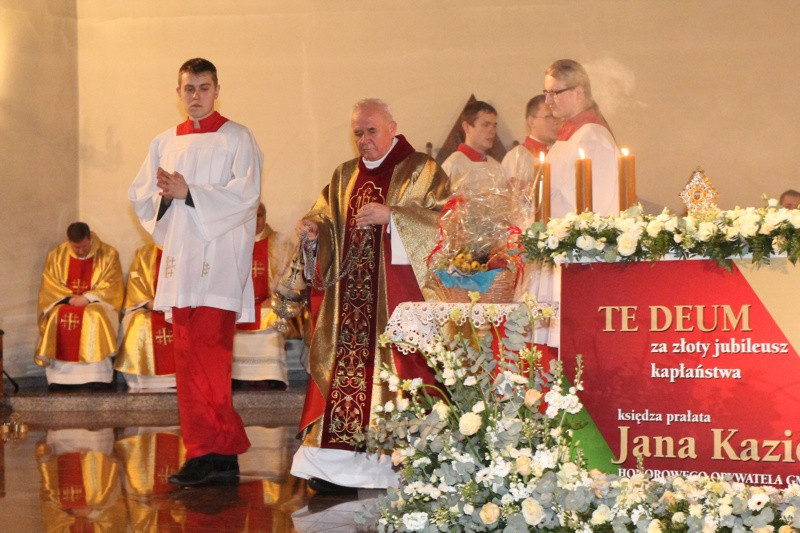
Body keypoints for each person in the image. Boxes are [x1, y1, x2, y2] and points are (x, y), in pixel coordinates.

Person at [290, 98, 450, 493]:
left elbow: (446, 220)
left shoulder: (421, 170)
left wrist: (393, 216)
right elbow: (326, 217)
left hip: (394, 302)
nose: (363, 140)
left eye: (371, 131)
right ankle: (333, 470)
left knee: (396, 376)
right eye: (357, 133)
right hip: (348, 305)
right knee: (344, 376)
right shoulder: (345, 175)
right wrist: (315, 229)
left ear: (392, 127)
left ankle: (398, 465)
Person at [129, 57, 262, 487]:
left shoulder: (238, 138)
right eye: (189, 88)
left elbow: (246, 197)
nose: (196, 96)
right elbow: (141, 197)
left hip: (219, 265)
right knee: (187, 362)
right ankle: (210, 451)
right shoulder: (163, 142)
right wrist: (166, 198)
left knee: (211, 358)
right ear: (178, 92)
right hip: (181, 265)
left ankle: (217, 448)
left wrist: (190, 192)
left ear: (217, 89)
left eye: (204, 88)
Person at [35, 222, 124, 392]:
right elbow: (50, 285)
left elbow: (113, 285)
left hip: (97, 303)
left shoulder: (108, 254)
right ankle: (59, 378)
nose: (80, 251)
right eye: (76, 248)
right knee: (56, 315)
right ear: (68, 241)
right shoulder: (57, 255)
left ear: (90, 238)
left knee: (94, 316)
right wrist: (69, 299)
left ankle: (97, 377)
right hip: (65, 301)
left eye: (83, 246)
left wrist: (88, 298)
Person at [232, 202, 299, 391]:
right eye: (251, 217)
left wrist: (277, 296)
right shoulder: (233, 244)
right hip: (239, 304)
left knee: (273, 314)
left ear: (265, 217)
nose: (255, 221)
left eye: (259, 216)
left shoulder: (281, 243)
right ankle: (236, 376)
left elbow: (292, 277)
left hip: (268, 303)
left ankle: (272, 375)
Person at [544, 59, 619, 217]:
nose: (547, 101)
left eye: (554, 93)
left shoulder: (593, 137)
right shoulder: (574, 133)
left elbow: (587, 205)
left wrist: (538, 204)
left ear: (578, 93)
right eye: (546, 93)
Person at [114, 241, 177, 390]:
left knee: (182, 324)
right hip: (149, 306)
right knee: (140, 322)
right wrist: (149, 303)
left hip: (178, 309)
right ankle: (141, 381)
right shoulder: (144, 253)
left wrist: (175, 305)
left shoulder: (186, 251)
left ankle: (179, 379)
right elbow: (135, 280)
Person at [440, 100, 503, 191]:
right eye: (486, 125)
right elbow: (442, 202)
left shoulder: (496, 166)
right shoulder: (453, 164)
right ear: (467, 127)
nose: (492, 131)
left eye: (494, 126)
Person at [501, 94, 561, 181]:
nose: (556, 122)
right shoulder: (516, 157)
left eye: (557, 117)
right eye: (549, 117)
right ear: (531, 122)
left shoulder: (563, 153)